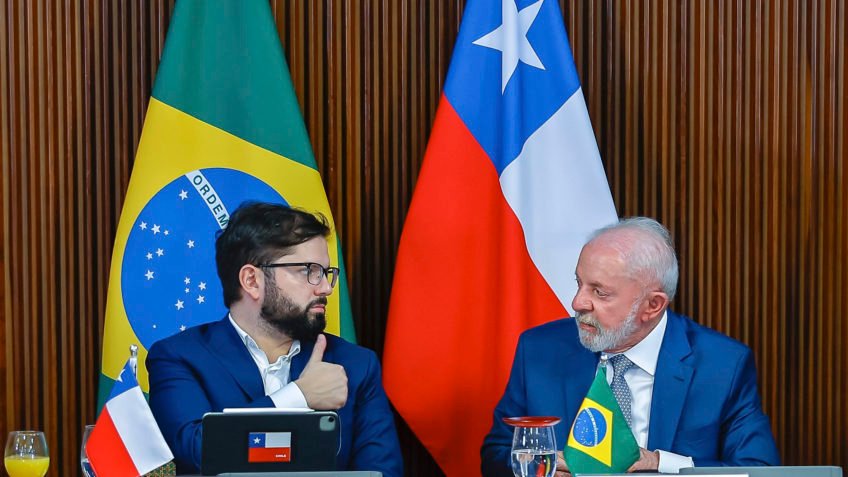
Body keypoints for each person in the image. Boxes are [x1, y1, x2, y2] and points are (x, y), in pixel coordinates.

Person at [481, 217, 780, 476]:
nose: (578, 302)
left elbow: (758, 469)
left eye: (600, 292)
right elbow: (496, 454)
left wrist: (661, 463)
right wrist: (540, 467)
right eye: (579, 283)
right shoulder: (540, 350)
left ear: (653, 305)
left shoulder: (722, 365)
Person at [147, 202, 402, 476]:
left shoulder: (356, 365)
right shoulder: (179, 358)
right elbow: (197, 453)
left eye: (327, 273)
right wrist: (298, 396)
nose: (326, 288)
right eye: (309, 271)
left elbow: (382, 472)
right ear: (252, 280)